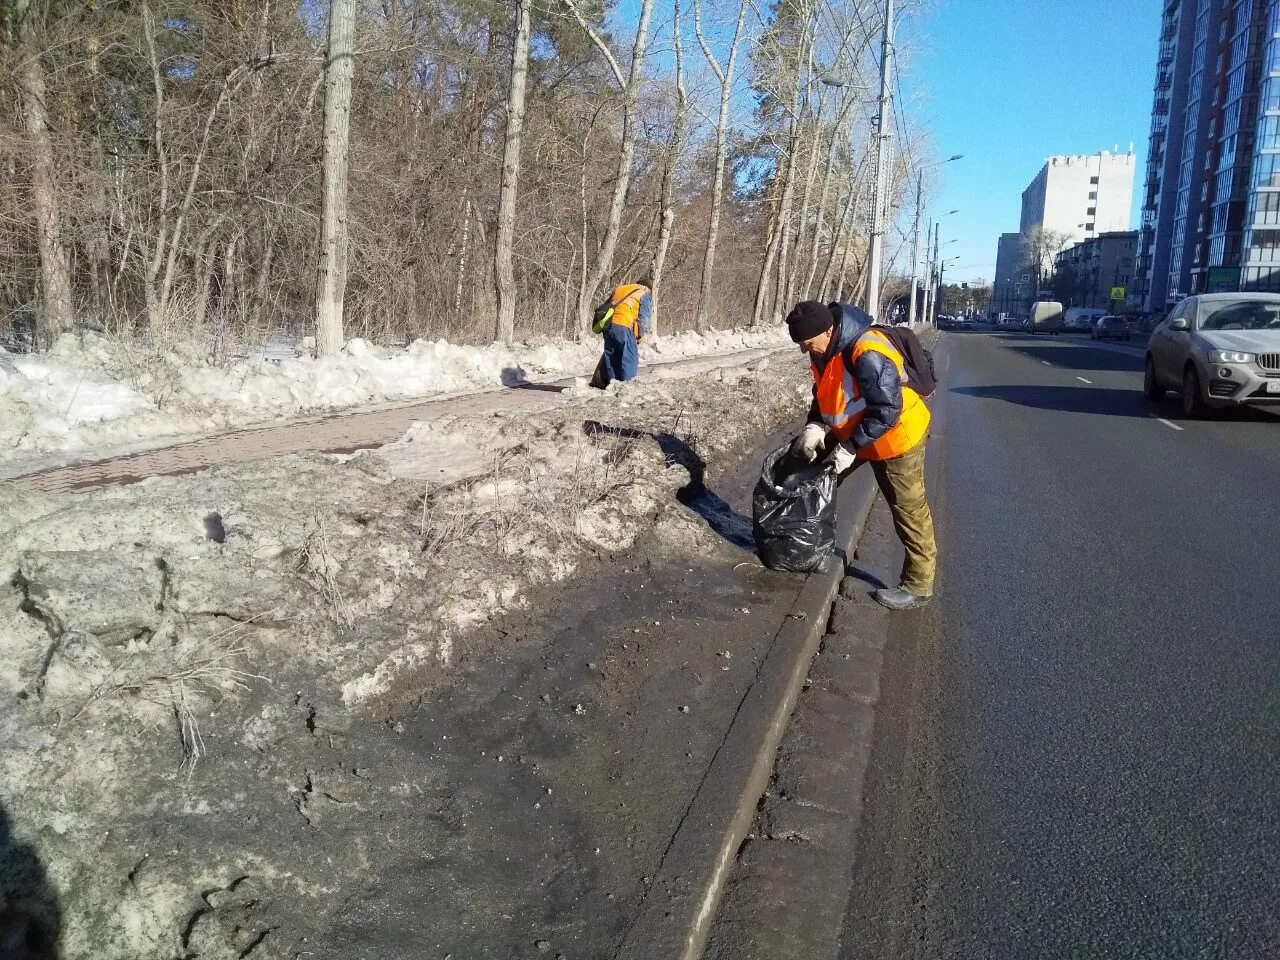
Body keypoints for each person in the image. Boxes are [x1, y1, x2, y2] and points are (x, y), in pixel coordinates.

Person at [785, 300, 936, 610]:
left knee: (907, 509)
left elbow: (887, 411)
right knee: (812, 478)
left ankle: (919, 585)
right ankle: (800, 544)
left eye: (807, 343)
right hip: (859, 431)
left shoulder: (867, 353)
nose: (804, 350)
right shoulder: (824, 349)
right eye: (800, 344)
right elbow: (825, 392)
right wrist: (814, 425)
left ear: (828, 331)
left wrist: (850, 447)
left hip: (896, 437)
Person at [596, 278, 652, 387]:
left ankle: (611, 384)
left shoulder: (620, 289)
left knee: (611, 355)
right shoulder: (643, 293)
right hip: (624, 325)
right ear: (647, 288)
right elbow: (643, 319)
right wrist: (640, 335)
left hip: (608, 326)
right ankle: (628, 387)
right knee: (629, 357)